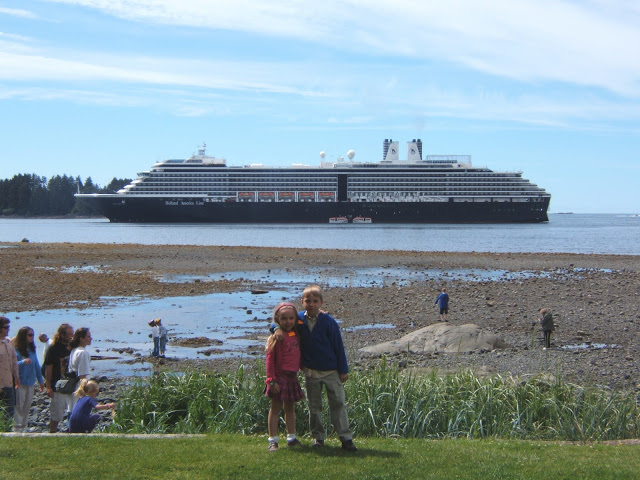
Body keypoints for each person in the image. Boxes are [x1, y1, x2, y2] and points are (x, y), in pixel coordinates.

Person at [273, 285, 357, 451]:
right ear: (302, 302)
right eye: (308, 301)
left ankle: (346, 438)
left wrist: (343, 369)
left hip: (331, 370)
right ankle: (318, 437)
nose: (311, 304)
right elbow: (282, 321)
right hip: (311, 371)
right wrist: (275, 329)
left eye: (315, 301)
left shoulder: (329, 322)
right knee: (314, 406)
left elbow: (338, 346)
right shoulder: (298, 320)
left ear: (321, 303)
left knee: (338, 404)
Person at [265, 302, 304, 452]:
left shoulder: (297, 333)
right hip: (278, 378)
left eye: (291, 318)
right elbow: (269, 361)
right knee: (275, 409)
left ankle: (291, 438)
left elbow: (306, 316)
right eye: (284, 319)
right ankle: (273, 440)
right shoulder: (276, 338)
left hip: (292, 377)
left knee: (290, 409)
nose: (288, 322)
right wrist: (271, 380)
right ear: (278, 320)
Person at [12, 327, 45, 431]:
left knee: (27, 406)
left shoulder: (32, 350)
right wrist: (22, 362)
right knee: (18, 407)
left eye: (33, 335)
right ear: (23, 336)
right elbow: (12, 365)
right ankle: (17, 429)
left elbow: (37, 365)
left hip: (30, 382)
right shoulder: (15, 350)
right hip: (19, 382)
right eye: (30, 335)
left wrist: (41, 381)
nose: (32, 337)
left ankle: (24, 428)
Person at [43, 323, 74, 433]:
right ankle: (52, 431)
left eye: (73, 334)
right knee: (57, 412)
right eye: (70, 334)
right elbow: (48, 368)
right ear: (62, 335)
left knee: (71, 410)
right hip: (58, 384)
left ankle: (71, 430)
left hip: (71, 384)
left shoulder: (72, 348)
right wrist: (48, 386)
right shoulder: (53, 349)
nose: (72, 336)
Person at [0, 316, 20, 421]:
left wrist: (17, 376)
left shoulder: (8, 342)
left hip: (9, 383)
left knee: (9, 413)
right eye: (6, 327)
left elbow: (14, 361)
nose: (8, 329)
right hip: (1, 385)